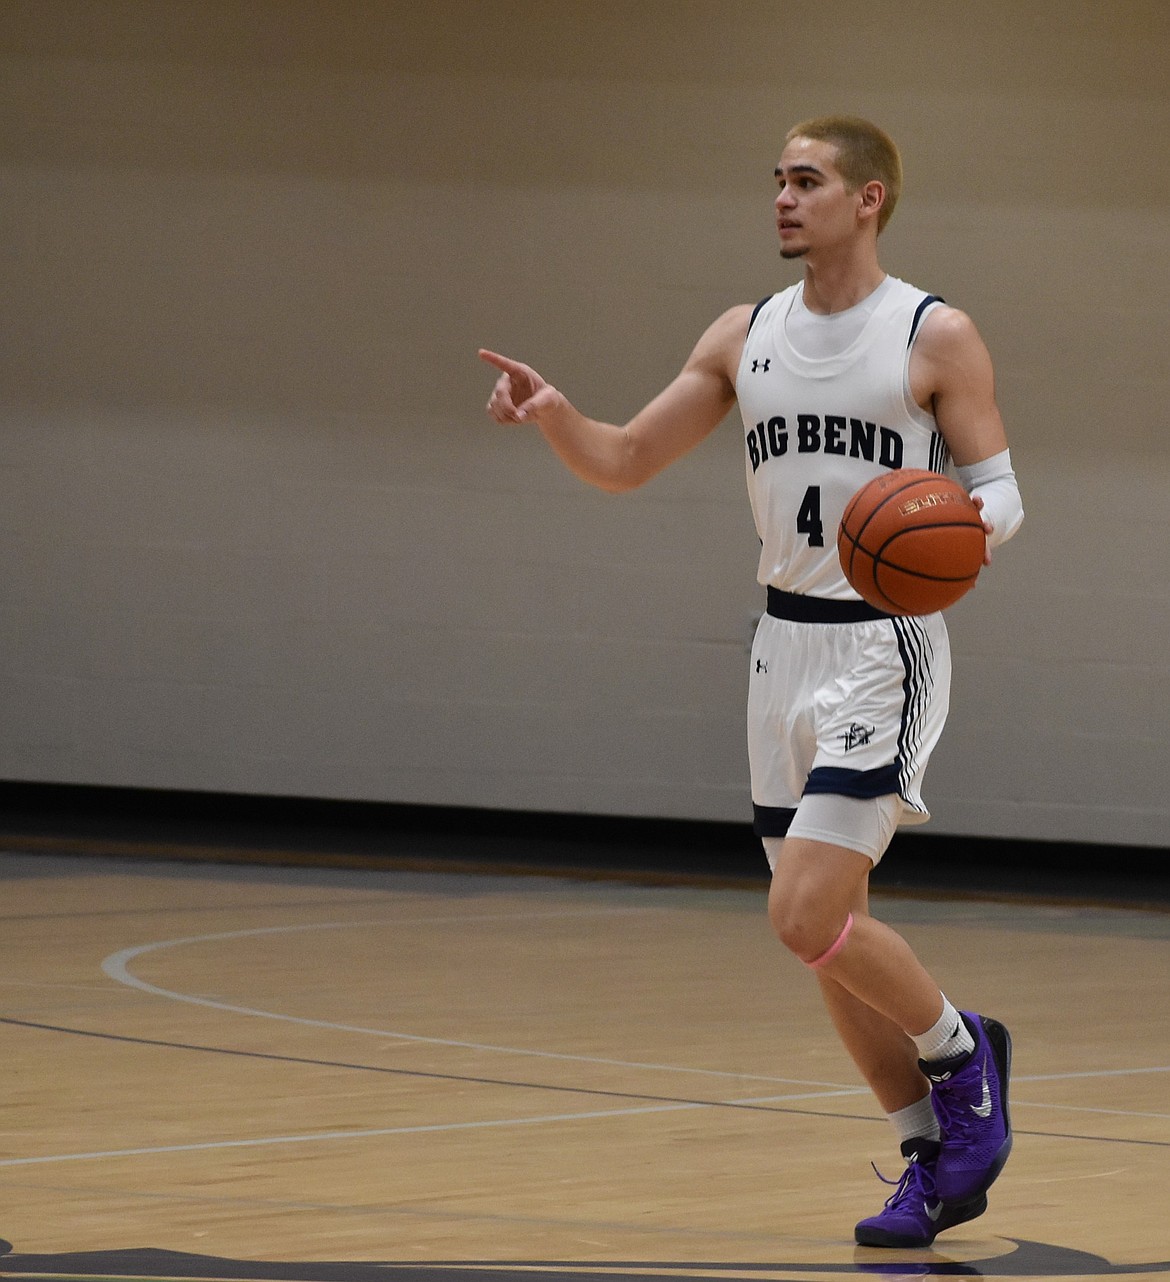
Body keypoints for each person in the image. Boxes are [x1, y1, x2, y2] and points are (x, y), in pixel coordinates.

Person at [480, 115, 1023, 1249]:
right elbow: (627, 459)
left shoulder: (933, 333)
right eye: (776, 179)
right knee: (825, 937)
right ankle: (932, 1157)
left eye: (808, 180)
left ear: (868, 198)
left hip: (884, 641)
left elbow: (1000, 492)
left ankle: (967, 1057)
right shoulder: (745, 332)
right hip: (781, 650)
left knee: (807, 911)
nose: (783, 197)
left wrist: (945, 532)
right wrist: (554, 415)